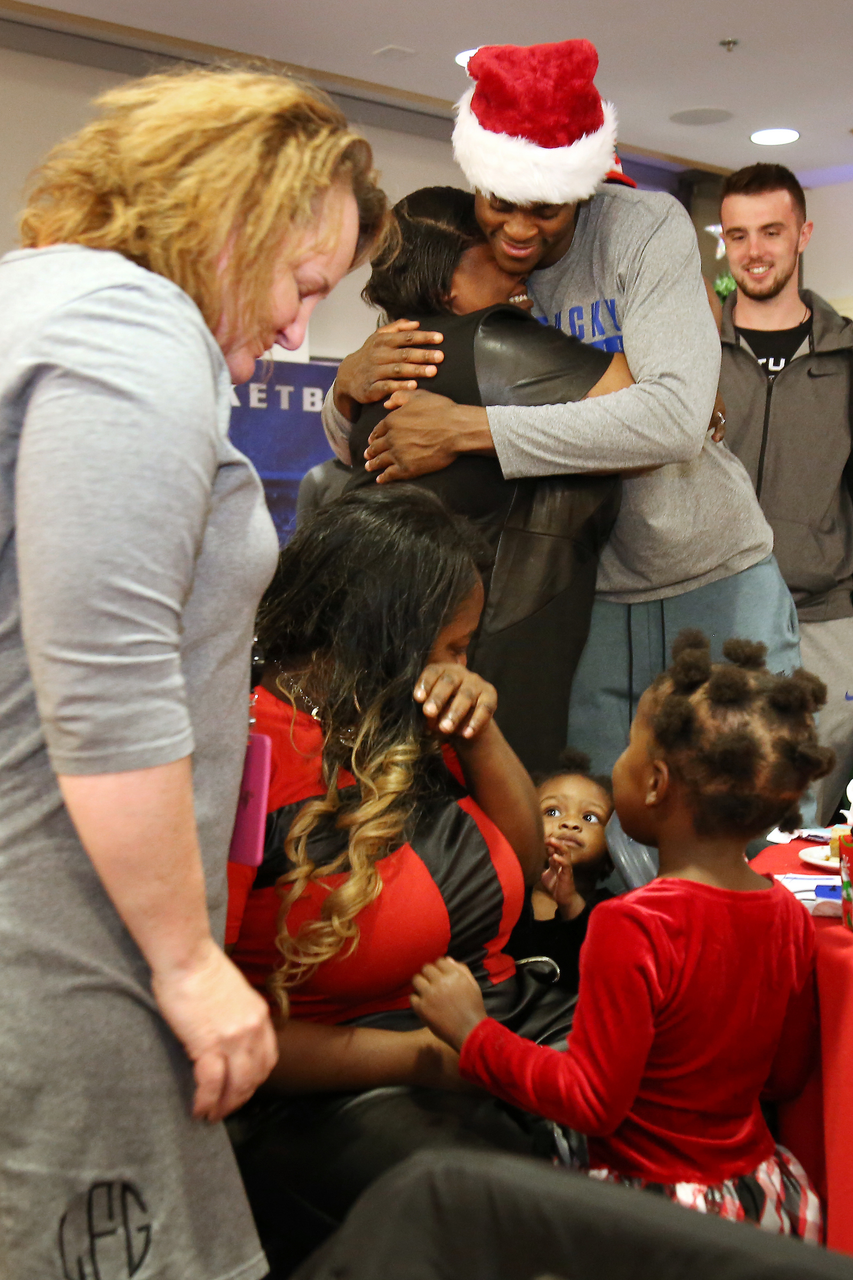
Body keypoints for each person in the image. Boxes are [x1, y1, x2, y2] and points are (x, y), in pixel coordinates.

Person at [0, 66, 389, 1280]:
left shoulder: (37, 301)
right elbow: (105, 682)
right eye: (299, 286)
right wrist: (185, 958)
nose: (293, 334)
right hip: (67, 942)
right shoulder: (129, 327)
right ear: (229, 215)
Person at [322, 39, 799, 779]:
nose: (516, 230)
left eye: (544, 211)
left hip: (710, 568)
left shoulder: (640, 230)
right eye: (499, 205)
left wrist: (474, 430)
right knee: (596, 833)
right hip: (586, 590)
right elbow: (385, 422)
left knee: (743, 807)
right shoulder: (463, 258)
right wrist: (345, 385)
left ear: (578, 190)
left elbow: (675, 419)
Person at [225, 487, 577, 1274]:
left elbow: (521, 866)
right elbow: (218, 1032)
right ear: (387, 633)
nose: (461, 666)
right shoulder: (245, 751)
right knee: (515, 1217)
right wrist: (426, 1056)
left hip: (491, 1018)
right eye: (452, 647)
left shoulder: (404, 709)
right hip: (343, 1075)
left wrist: (480, 731)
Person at [412, 630, 833, 1240]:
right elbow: (786, 1075)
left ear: (657, 783)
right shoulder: (788, 916)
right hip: (754, 1198)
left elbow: (589, 1101)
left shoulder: (633, 924)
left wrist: (472, 1030)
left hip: (652, 1213)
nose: (617, 765)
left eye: (628, 750)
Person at [347, 185, 631, 770]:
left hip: (400, 637)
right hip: (496, 636)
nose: (516, 267)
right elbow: (644, 401)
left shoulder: (377, 371)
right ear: (450, 281)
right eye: (494, 255)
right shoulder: (491, 340)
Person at [719, 163, 853, 824]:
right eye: (737, 234)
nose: (753, 251)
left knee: (808, 822)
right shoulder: (689, 353)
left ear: (802, 233)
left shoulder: (849, 356)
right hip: (717, 614)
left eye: (769, 231)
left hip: (828, 617)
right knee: (719, 810)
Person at [507, 748, 614, 991]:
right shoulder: (506, 899)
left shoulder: (611, 912)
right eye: (552, 812)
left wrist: (571, 904)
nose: (570, 823)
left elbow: (600, 969)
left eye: (590, 818)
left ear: (613, 855)